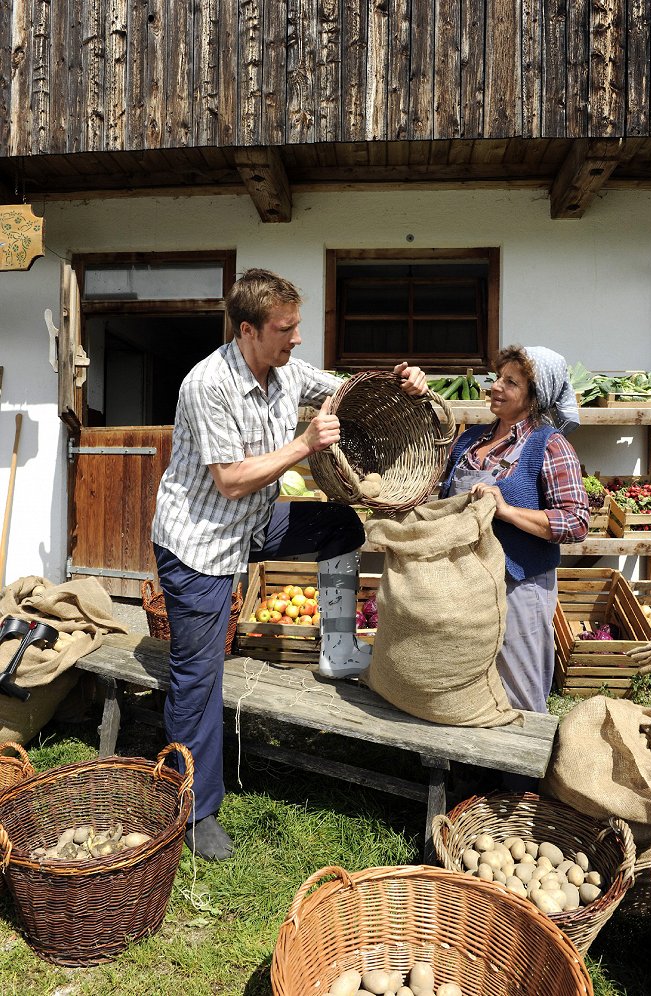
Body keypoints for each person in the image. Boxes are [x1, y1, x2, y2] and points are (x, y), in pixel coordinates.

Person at [151, 267, 427, 861]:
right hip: (200, 542)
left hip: (253, 523)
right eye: (286, 329)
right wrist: (303, 447)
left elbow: (347, 390)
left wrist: (405, 383)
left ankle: (336, 647)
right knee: (200, 674)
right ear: (248, 330)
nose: (297, 338)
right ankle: (191, 808)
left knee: (343, 527)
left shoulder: (284, 372)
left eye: (297, 326)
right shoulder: (209, 384)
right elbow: (227, 482)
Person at [440, 345, 589, 715]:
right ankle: (465, 770)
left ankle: (520, 773)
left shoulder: (549, 446)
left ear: (535, 397)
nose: (496, 387)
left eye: (511, 382)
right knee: (462, 679)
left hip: (518, 584)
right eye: (497, 378)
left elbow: (575, 522)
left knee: (520, 688)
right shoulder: (469, 439)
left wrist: (505, 511)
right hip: (462, 582)